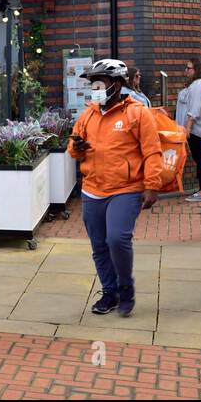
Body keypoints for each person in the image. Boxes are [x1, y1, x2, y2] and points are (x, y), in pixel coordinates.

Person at [66, 59, 161, 318]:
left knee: (116, 239)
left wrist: (152, 185)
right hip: (92, 189)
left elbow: (152, 151)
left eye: (100, 83)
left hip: (126, 188)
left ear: (117, 85)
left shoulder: (138, 113)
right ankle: (110, 292)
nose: (95, 88)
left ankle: (125, 287)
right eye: (93, 84)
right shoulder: (88, 114)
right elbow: (72, 149)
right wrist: (77, 147)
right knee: (98, 245)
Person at [178, 58, 201, 203]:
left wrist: (187, 127)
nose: (186, 71)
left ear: (197, 69)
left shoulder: (198, 85)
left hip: (197, 130)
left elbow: (194, 108)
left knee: (200, 160)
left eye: (189, 68)